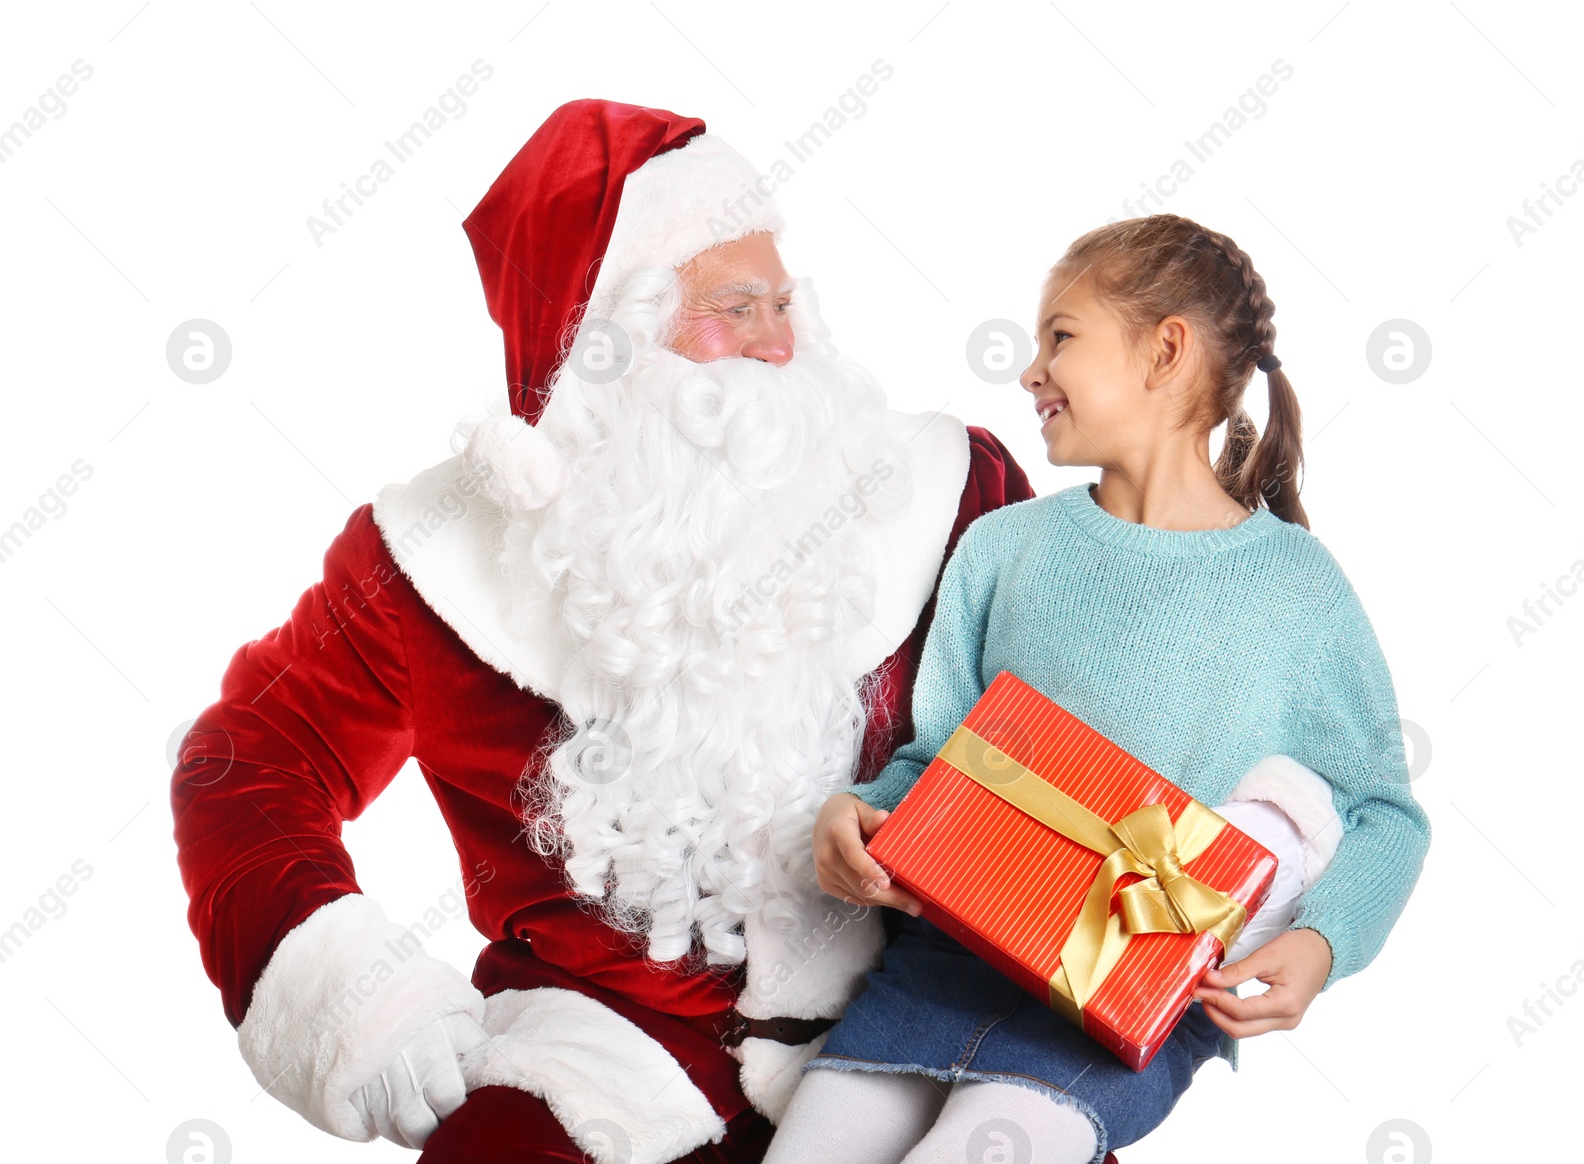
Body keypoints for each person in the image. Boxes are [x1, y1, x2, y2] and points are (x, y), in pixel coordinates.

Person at [168, 99, 1034, 1164]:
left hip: (914, 1025)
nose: (778, 346)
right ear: (607, 348)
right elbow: (251, 756)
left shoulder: (944, 493)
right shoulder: (430, 559)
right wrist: (354, 998)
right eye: (732, 307)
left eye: (783, 302)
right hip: (608, 1056)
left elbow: (1076, 729)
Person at [769, 214, 1432, 1164]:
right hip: (946, 962)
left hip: (1128, 992)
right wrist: (861, 811)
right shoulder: (1004, 548)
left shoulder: (1296, 591)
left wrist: (1325, 945)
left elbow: (1384, 811)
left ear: (1165, 351)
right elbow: (939, 755)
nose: (1031, 371)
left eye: (1062, 338)